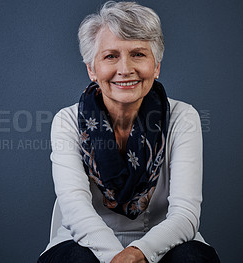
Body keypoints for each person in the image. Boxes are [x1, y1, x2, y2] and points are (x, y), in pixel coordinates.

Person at [38, 1, 220, 263]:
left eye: (138, 54)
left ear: (156, 66)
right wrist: (118, 258)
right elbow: (75, 210)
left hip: (164, 241)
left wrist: (139, 253)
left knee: (193, 258)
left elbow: (185, 214)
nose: (125, 69)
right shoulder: (67, 120)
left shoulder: (183, 117)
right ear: (92, 68)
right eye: (111, 56)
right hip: (83, 242)